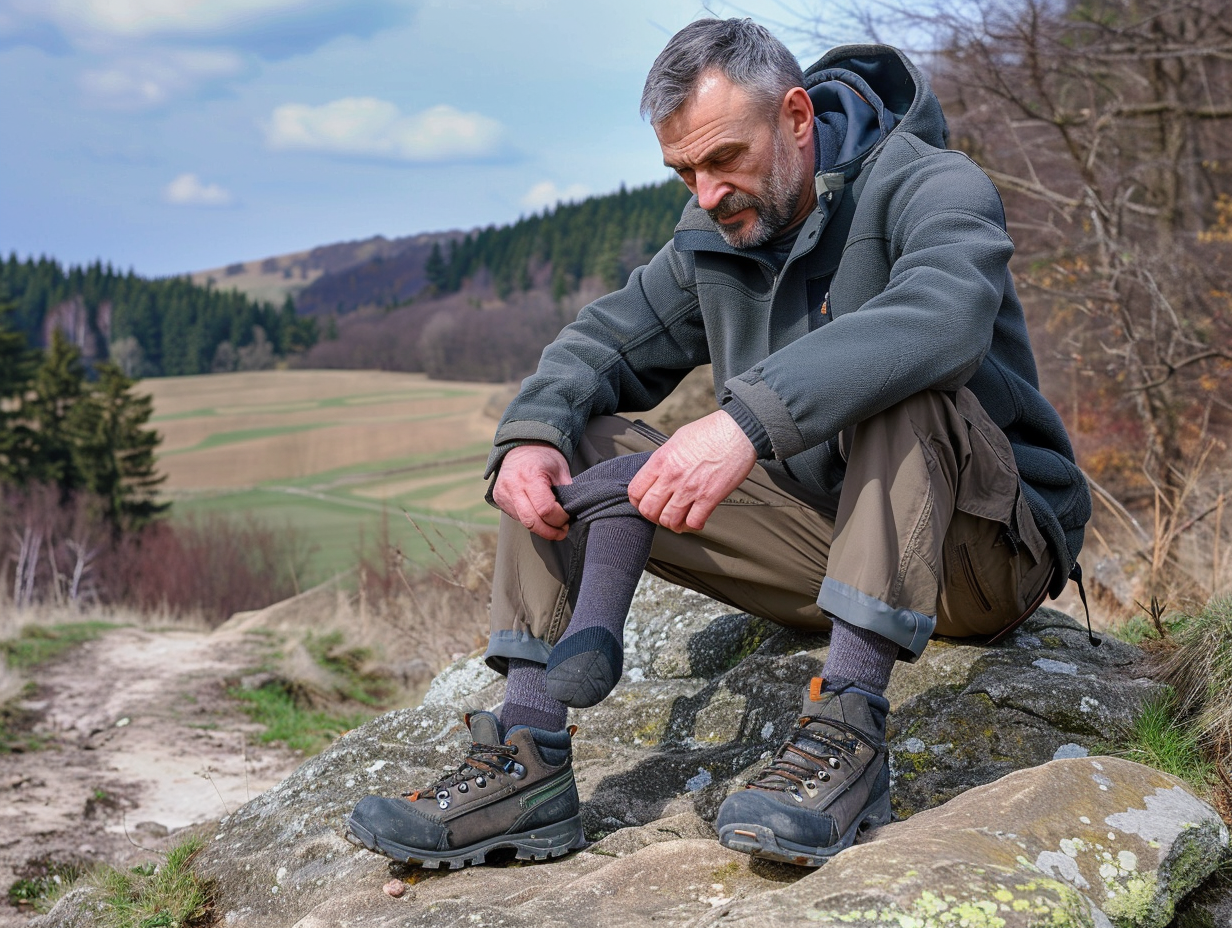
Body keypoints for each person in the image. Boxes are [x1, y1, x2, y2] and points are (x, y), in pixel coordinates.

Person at [346, 17, 1090, 870]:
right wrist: (527, 437)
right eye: (685, 171)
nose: (706, 193)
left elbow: (942, 319)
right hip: (826, 547)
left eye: (724, 158)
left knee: (902, 383)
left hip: (984, 551)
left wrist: (742, 421)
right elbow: (601, 345)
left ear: (798, 117)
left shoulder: (935, 187)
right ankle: (526, 759)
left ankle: (843, 732)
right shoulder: (716, 233)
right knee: (574, 438)